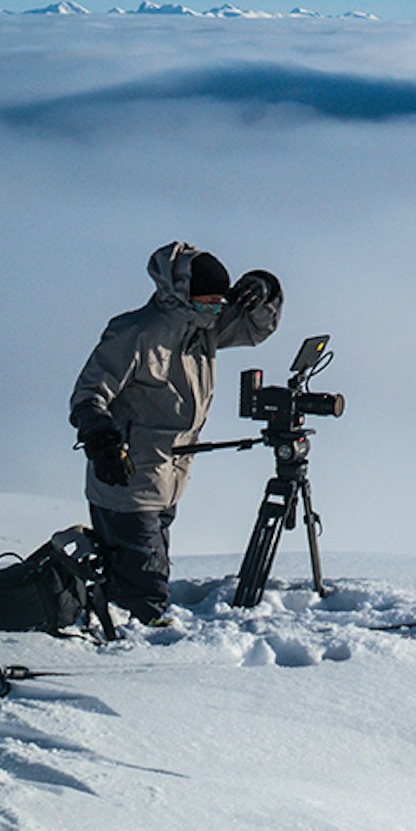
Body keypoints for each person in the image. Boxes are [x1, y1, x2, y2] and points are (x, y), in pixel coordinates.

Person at [69, 241, 283, 622]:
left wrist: (264, 288)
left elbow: (256, 329)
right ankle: (137, 652)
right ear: (182, 294)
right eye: (208, 303)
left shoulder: (204, 328)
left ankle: (119, 627)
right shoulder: (135, 332)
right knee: (145, 588)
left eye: (220, 304)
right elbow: (88, 394)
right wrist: (101, 441)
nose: (216, 311)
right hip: (127, 472)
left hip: (170, 472)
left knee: (144, 571)